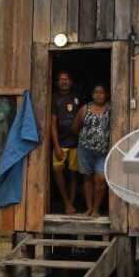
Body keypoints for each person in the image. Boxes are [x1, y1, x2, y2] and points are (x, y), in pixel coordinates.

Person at [72, 84, 110, 217]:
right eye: (96, 92)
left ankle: (96, 209)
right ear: (92, 94)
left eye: (101, 92)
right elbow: (75, 127)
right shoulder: (85, 109)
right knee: (87, 179)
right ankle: (89, 208)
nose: (98, 95)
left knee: (100, 179)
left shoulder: (110, 109)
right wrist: (85, 139)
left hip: (103, 151)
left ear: (106, 95)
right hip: (85, 150)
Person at [51, 70, 80, 214]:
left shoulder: (76, 97)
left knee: (73, 173)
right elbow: (52, 123)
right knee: (58, 170)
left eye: (66, 79)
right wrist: (56, 145)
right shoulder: (54, 98)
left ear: (71, 81)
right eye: (61, 79)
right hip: (61, 142)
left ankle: (72, 203)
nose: (64, 81)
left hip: (76, 142)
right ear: (57, 82)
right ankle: (66, 202)